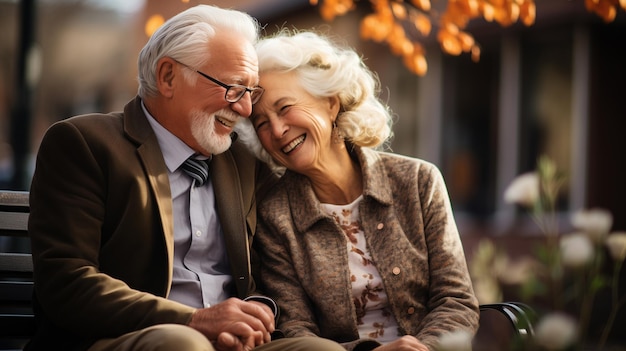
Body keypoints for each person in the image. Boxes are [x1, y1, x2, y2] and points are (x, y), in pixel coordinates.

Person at [26, 6, 344, 351]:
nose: (246, 110)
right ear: (168, 77)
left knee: (320, 350)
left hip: (231, 343)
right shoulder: (83, 143)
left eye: (250, 93)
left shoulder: (244, 163)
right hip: (122, 339)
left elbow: (266, 279)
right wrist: (193, 321)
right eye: (233, 88)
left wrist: (257, 313)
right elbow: (67, 282)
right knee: (183, 344)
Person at [236, 30, 480, 351]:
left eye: (284, 108)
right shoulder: (273, 214)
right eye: (261, 123)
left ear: (330, 102)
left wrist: (425, 348)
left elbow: (456, 299)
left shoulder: (418, 181)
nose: (278, 131)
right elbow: (295, 329)